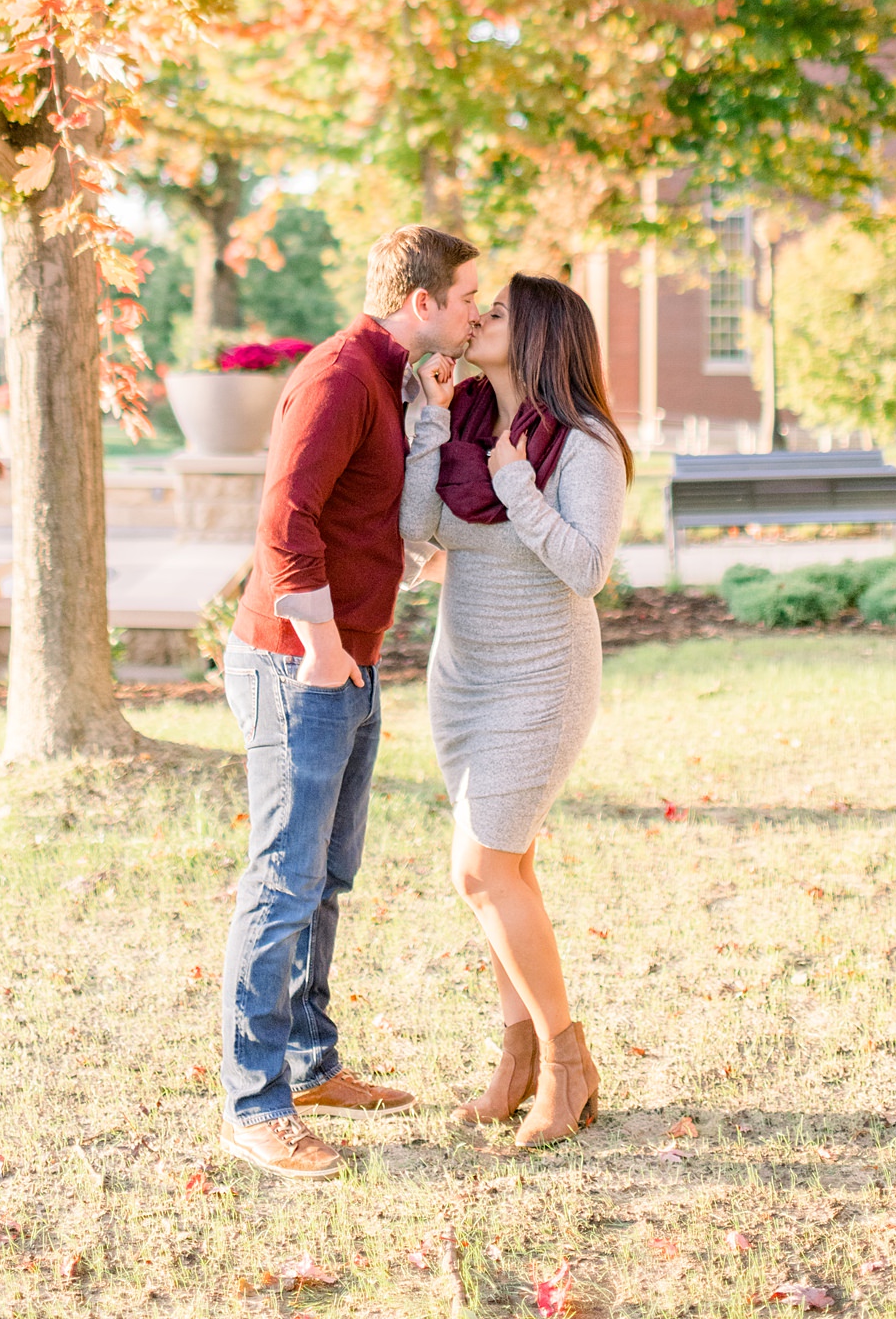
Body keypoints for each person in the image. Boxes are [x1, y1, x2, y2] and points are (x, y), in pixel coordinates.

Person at [218, 224, 482, 1179]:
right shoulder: (338, 375)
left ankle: (310, 1064)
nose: (473, 316)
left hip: (347, 661)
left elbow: (379, 507)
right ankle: (255, 1105)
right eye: (463, 301)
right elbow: (284, 515)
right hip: (299, 663)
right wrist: (324, 647)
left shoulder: (396, 381)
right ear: (419, 302)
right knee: (283, 882)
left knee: (326, 878)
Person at [400, 272, 631, 1149]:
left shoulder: (585, 444)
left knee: (480, 872)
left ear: (537, 335)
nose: (476, 319)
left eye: (495, 313)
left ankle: (568, 1068)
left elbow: (587, 568)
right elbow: (417, 534)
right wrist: (427, 426)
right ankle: (518, 1063)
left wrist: (519, 486)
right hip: (464, 677)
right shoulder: (459, 422)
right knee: (508, 874)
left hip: (543, 678)